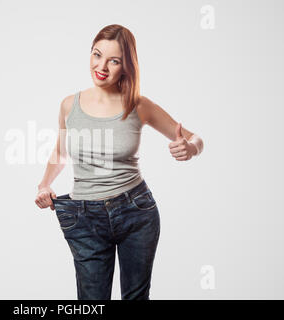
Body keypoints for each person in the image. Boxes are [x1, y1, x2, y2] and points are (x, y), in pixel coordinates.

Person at [34, 24, 204, 300]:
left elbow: (195, 138)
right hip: (84, 217)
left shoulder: (138, 105)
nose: (101, 66)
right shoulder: (69, 105)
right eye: (96, 55)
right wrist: (43, 185)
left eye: (113, 61)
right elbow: (60, 153)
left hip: (135, 212)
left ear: (126, 65)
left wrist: (191, 148)